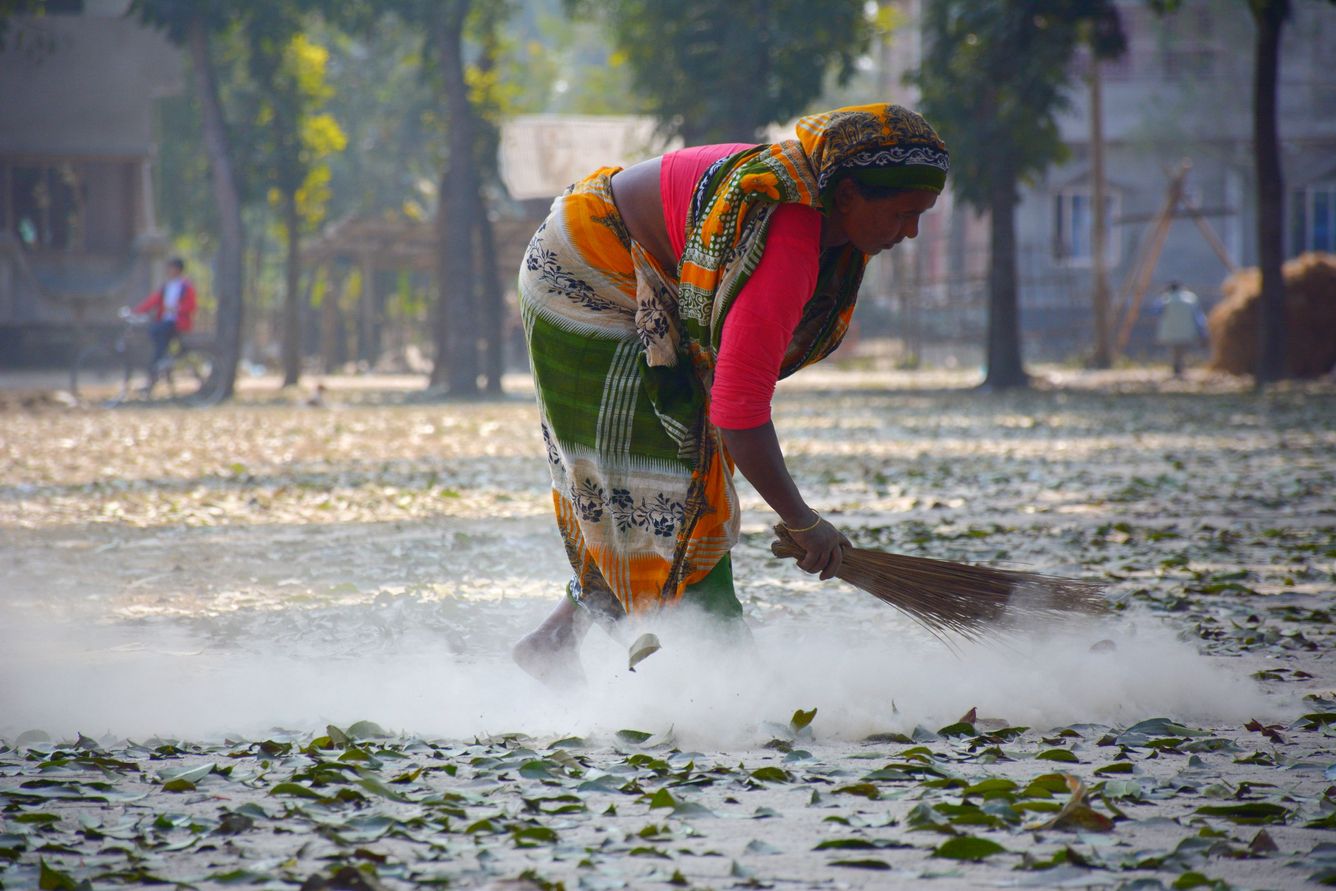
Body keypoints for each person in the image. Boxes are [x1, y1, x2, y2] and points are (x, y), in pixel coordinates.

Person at [512, 103, 949, 682]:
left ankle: (556, 641)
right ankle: (726, 681)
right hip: (587, 274)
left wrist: (801, 519)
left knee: (662, 486)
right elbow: (739, 414)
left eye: (921, 215)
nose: (911, 232)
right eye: (901, 213)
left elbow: (736, 401)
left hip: (633, 263)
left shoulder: (820, 219)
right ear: (846, 196)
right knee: (675, 487)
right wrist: (802, 521)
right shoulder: (786, 240)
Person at [131, 257, 197, 393]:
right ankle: (157, 372)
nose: (169, 271)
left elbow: (191, 306)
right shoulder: (167, 287)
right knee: (155, 343)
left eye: (171, 268)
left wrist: (177, 309)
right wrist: (136, 311)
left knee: (156, 335)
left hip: (177, 323)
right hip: (165, 322)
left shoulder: (185, 287)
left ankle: (162, 361)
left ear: (178, 269)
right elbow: (153, 301)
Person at [1153, 280, 1207, 377]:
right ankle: (1180, 369)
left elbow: (1155, 311)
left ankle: (1177, 368)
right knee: (1182, 351)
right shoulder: (1191, 299)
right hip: (1187, 331)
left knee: (1174, 351)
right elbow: (1198, 317)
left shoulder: (1165, 299)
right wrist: (1202, 332)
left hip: (1169, 331)